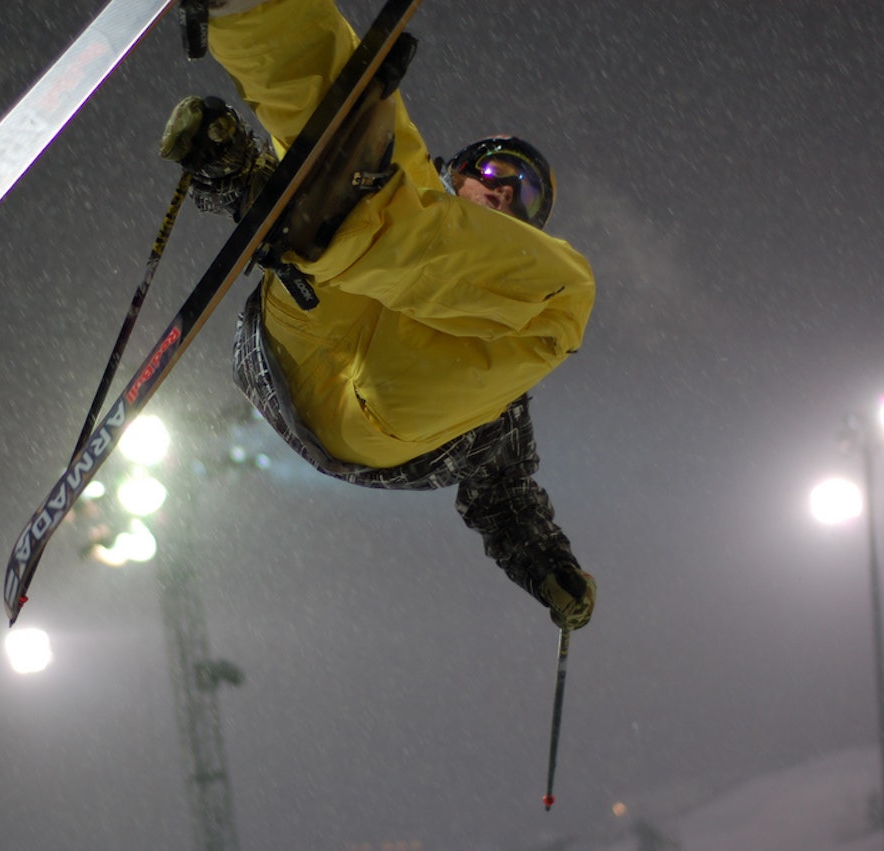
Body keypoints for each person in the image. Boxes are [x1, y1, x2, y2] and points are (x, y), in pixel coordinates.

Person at [161, 0, 598, 630]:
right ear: (464, 168)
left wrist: (548, 566)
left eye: (523, 197)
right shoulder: (415, 179)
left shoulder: (499, 373)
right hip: (313, 325)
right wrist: (237, 176)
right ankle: (252, 10)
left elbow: (503, 497)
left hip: (385, 416)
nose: (505, 191)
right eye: (499, 171)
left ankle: (337, 219)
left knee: (565, 294)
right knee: (370, 130)